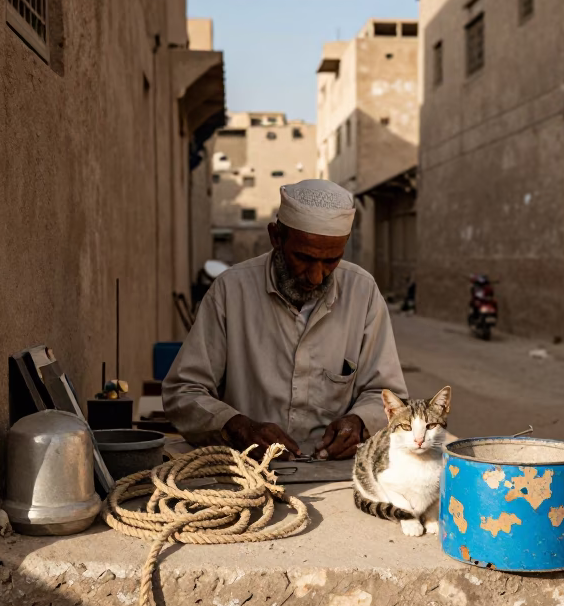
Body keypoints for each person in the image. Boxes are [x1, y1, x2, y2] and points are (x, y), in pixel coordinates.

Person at [162, 179, 407, 460]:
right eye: (304, 258)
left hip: (335, 471)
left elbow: (387, 394)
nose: (316, 277)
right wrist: (237, 427)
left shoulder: (363, 293)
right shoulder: (231, 290)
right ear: (275, 237)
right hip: (248, 469)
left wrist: (360, 423)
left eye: (331, 262)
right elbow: (182, 391)